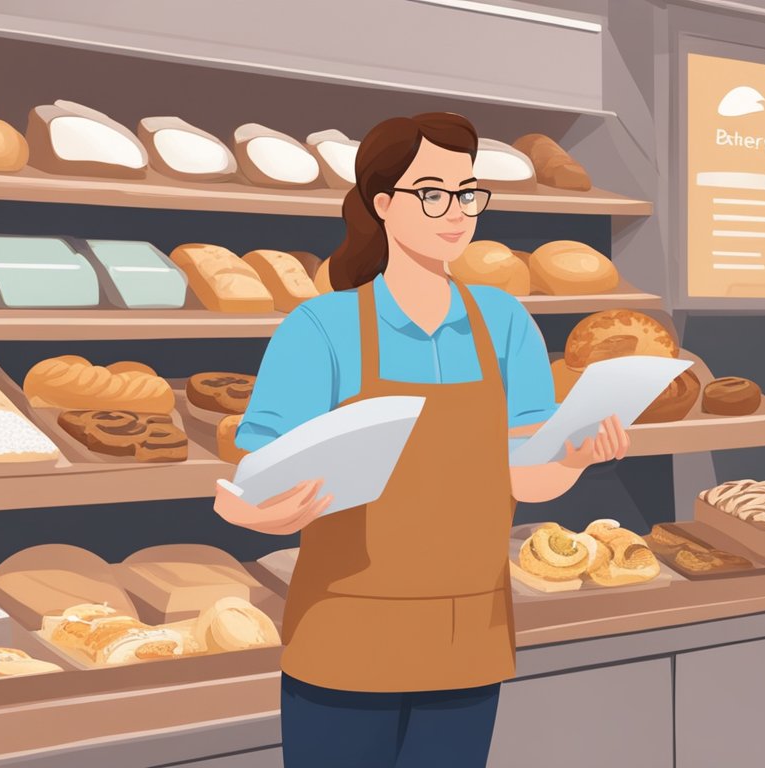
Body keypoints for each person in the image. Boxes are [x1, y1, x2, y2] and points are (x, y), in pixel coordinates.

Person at [213, 112, 630, 767]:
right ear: (383, 203)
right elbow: (249, 480)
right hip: (346, 638)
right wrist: (250, 509)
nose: (456, 212)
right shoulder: (322, 327)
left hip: (467, 640)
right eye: (433, 193)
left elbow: (523, 474)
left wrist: (574, 459)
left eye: (468, 194)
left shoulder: (505, 323)